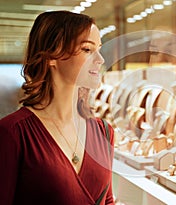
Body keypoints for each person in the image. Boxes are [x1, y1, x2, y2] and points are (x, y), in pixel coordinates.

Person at [0, 10, 114, 205]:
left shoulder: (104, 132)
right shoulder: (12, 133)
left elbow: (108, 200)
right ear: (52, 56)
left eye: (99, 49)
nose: (100, 59)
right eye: (87, 49)